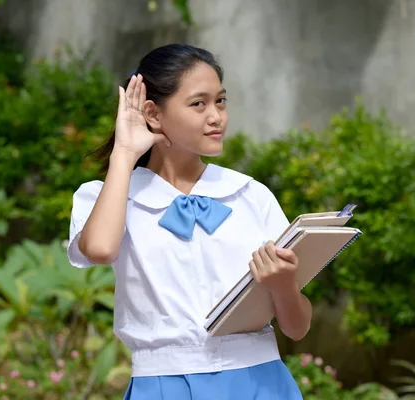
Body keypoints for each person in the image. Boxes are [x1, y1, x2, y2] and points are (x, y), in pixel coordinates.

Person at [67, 44, 312, 399]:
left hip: (260, 382)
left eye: (221, 101)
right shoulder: (107, 196)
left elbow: (298, 328)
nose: (217, 116)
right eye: (199, 103)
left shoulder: (249, 195)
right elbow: (101, 249)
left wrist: (284, 285)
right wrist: (124, 151)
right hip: (164, 386)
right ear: (152, 112)